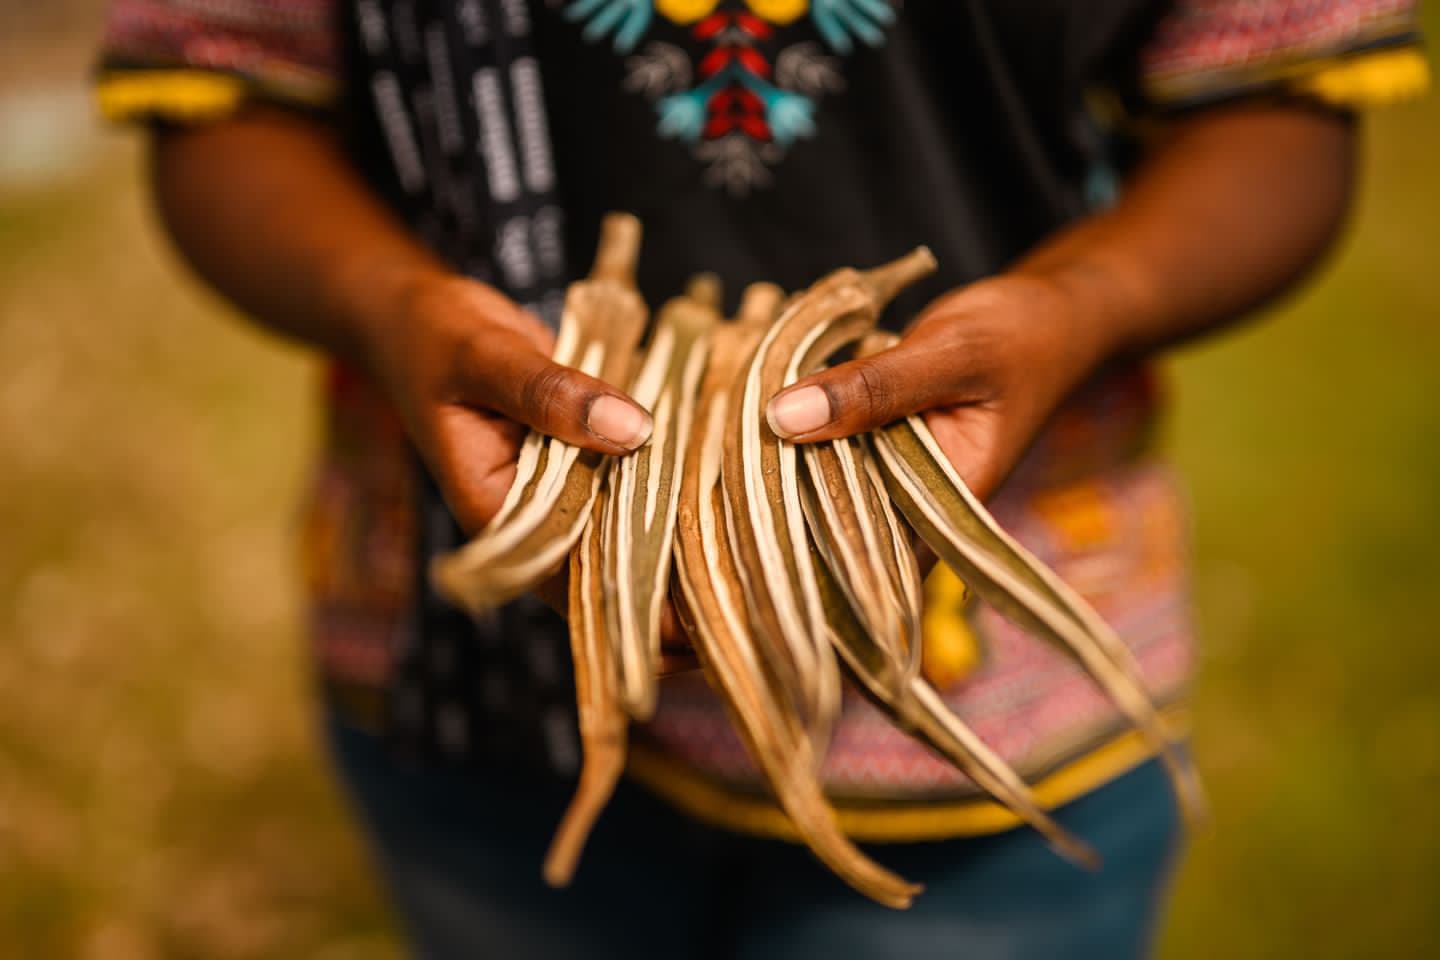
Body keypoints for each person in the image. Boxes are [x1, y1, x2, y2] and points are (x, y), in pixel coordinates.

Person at [96, 1, 1427, 956]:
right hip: (482, 703)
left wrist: (1082, 302)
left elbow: (1279, 93)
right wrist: (390, 306)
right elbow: (226, 84)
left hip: (1005, 710)